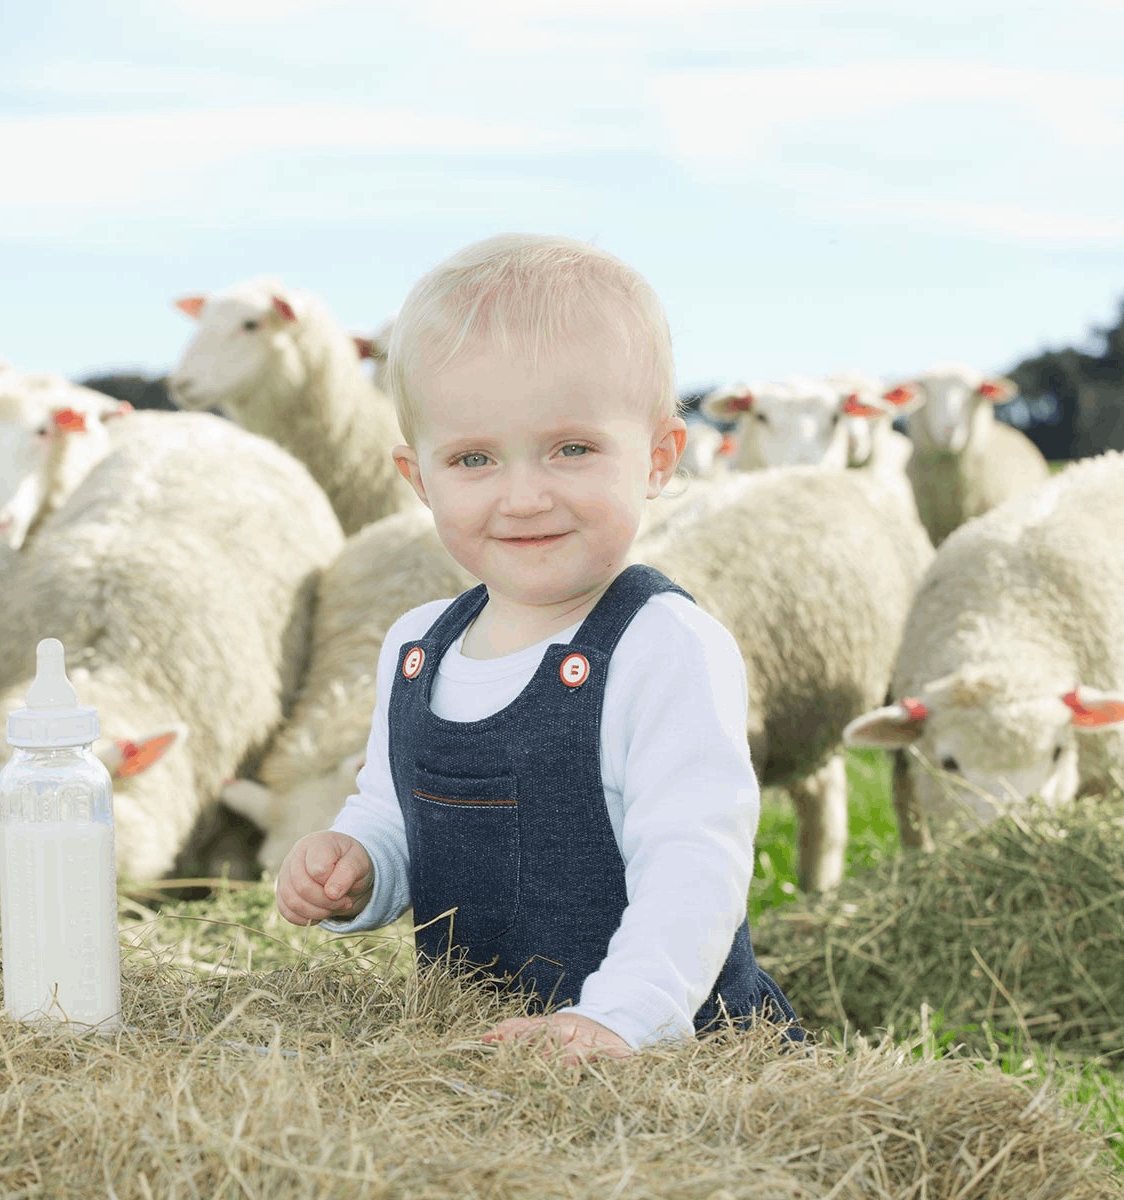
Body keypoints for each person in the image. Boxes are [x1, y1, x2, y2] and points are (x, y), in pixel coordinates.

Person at [274, 232, 805, 1063]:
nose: (524, 496)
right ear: (420, 480)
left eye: (572, 449)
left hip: (674, 1052)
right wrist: (359, 865)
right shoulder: (417, 647)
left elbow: (693, 867)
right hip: (487, 1051)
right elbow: (393, 812)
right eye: (474, 458)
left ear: (660, 457)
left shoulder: (663, 646)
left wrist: (622, 1018)